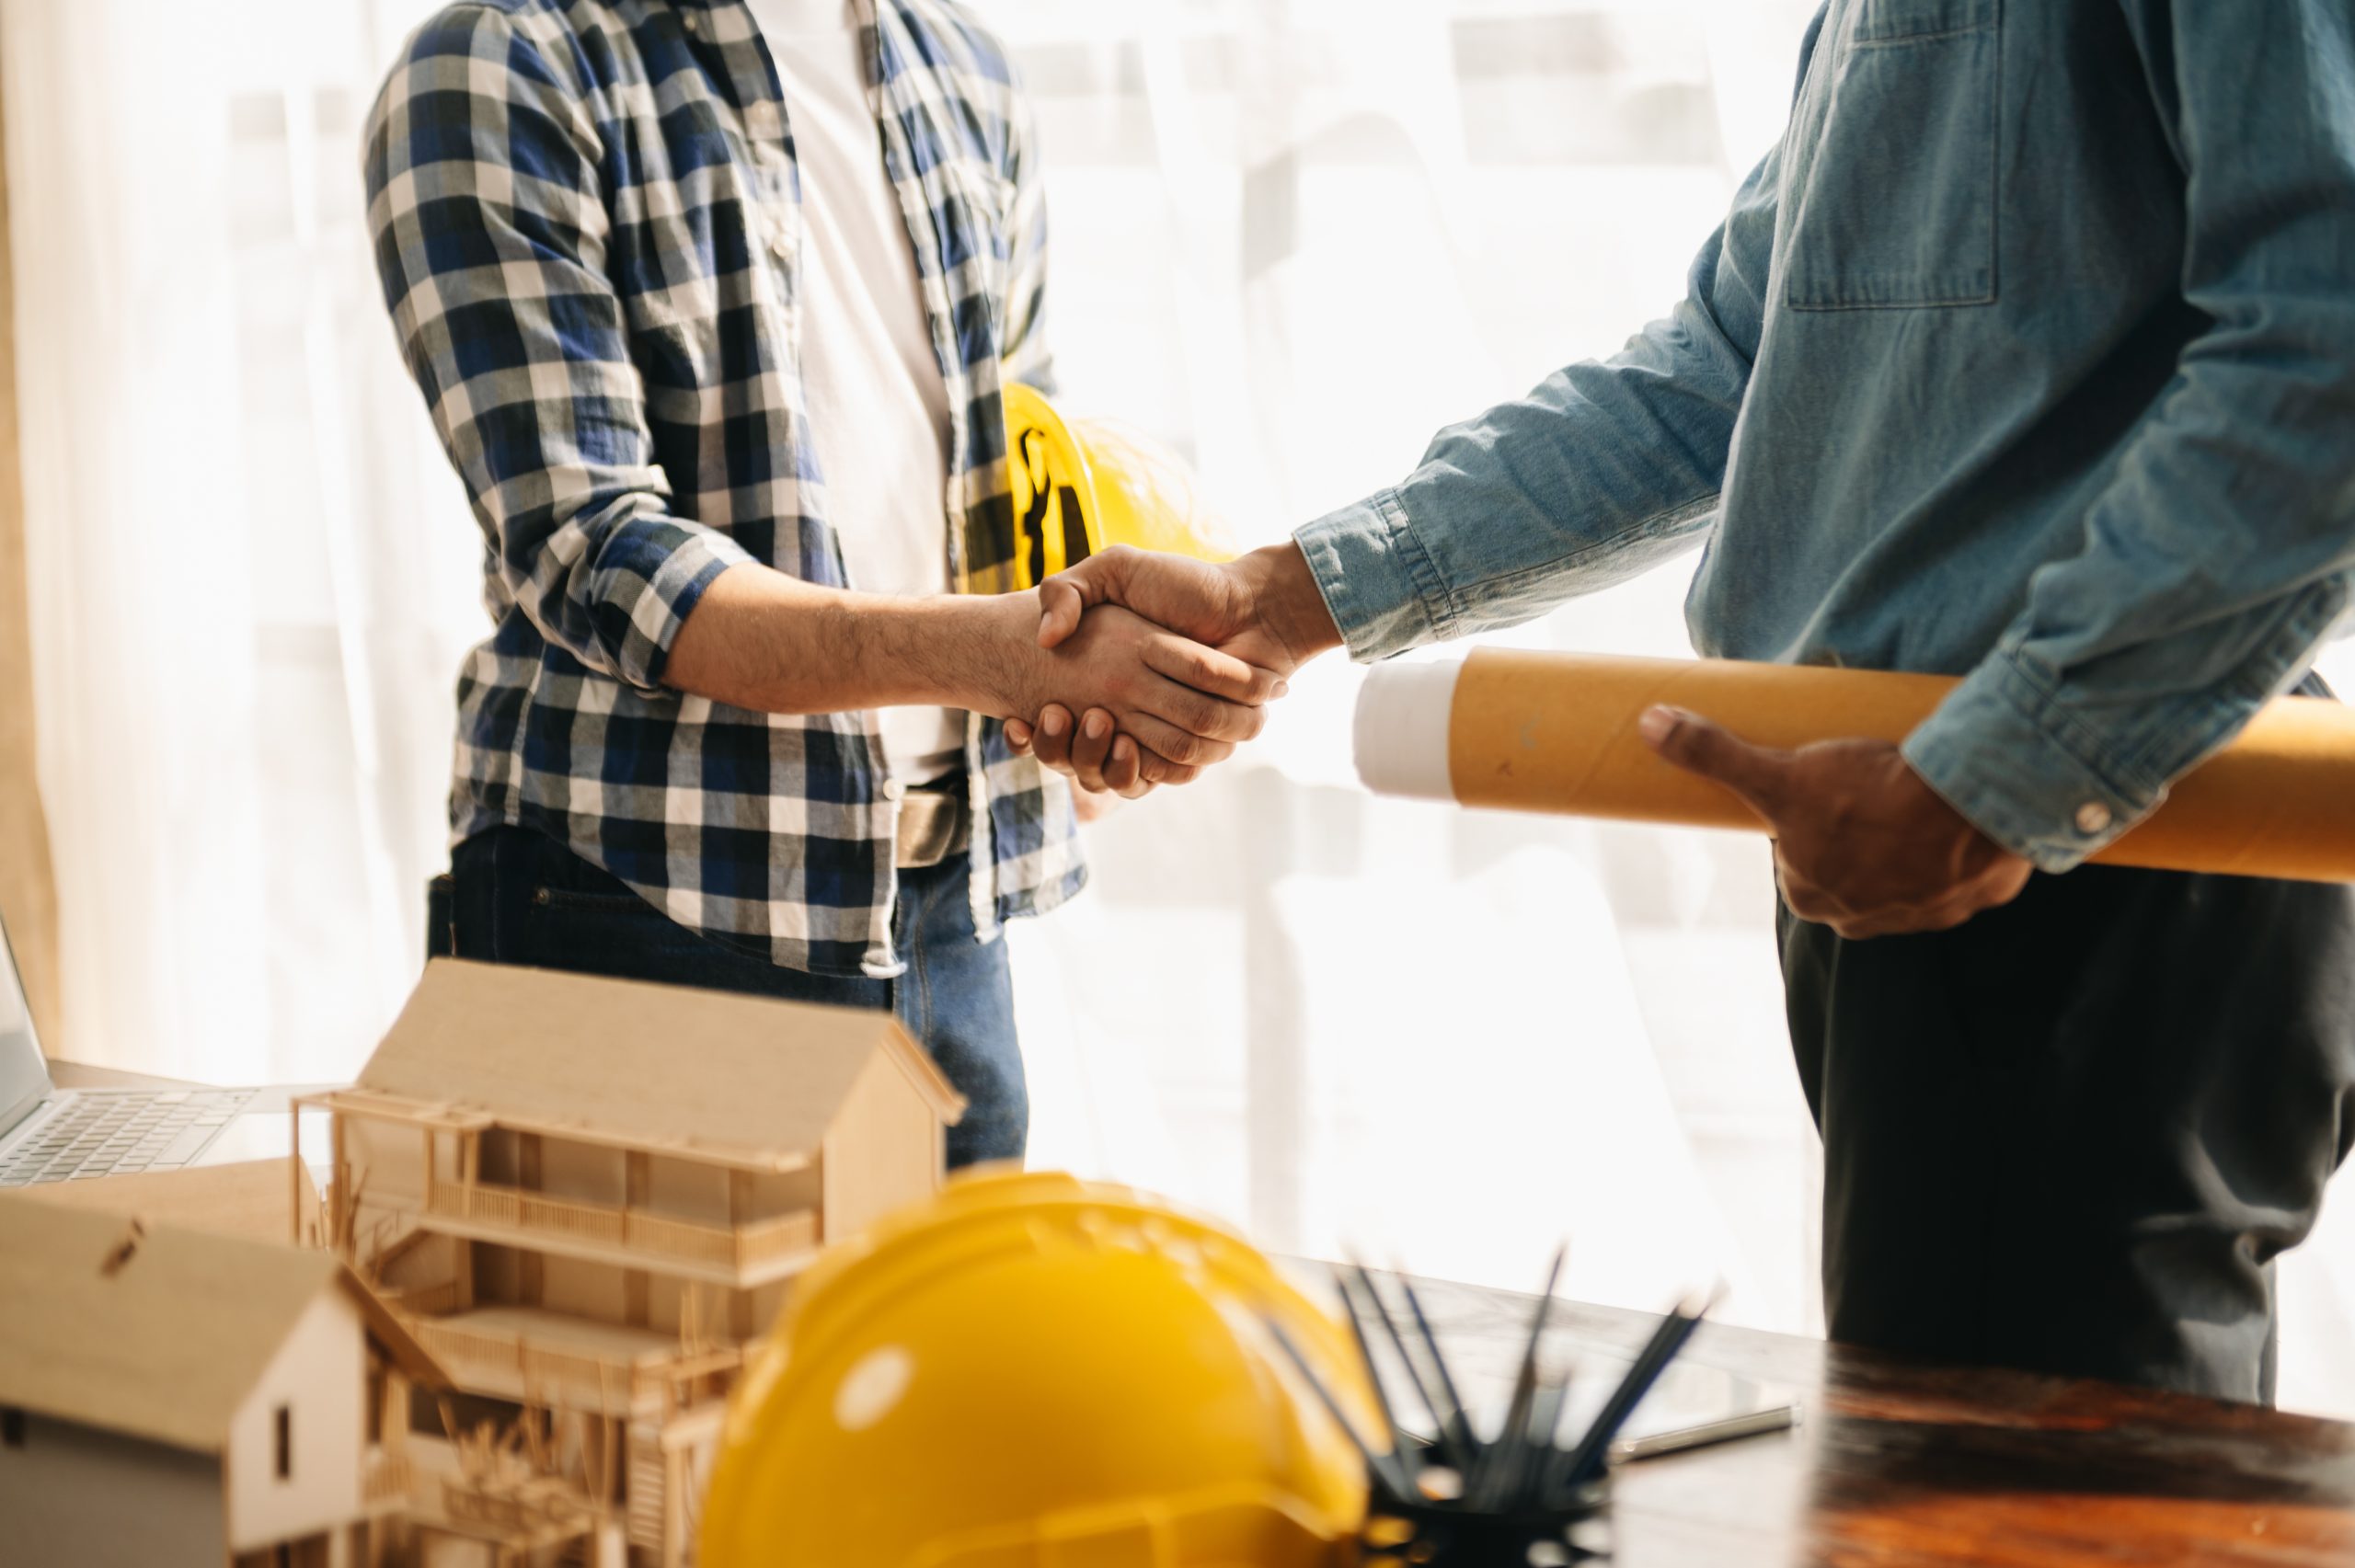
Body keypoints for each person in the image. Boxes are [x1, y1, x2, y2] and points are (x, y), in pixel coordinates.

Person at [1013, 2, 2355, 1402]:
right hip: (1936, 845)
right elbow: (1727, 366)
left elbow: (2326, 357)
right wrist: (1283, 598)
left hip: (2070, 862)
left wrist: (1993, 780)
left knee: (2039, 1522)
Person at [364, 0, 1279, 1170]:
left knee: (947, 1354)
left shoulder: (967, 74)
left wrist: (1084, 692)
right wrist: (1006, 651)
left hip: (949, 915)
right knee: (652, 1359)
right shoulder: (504, 65)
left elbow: (1018, 463)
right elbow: (593, 549)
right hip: (637, 913)